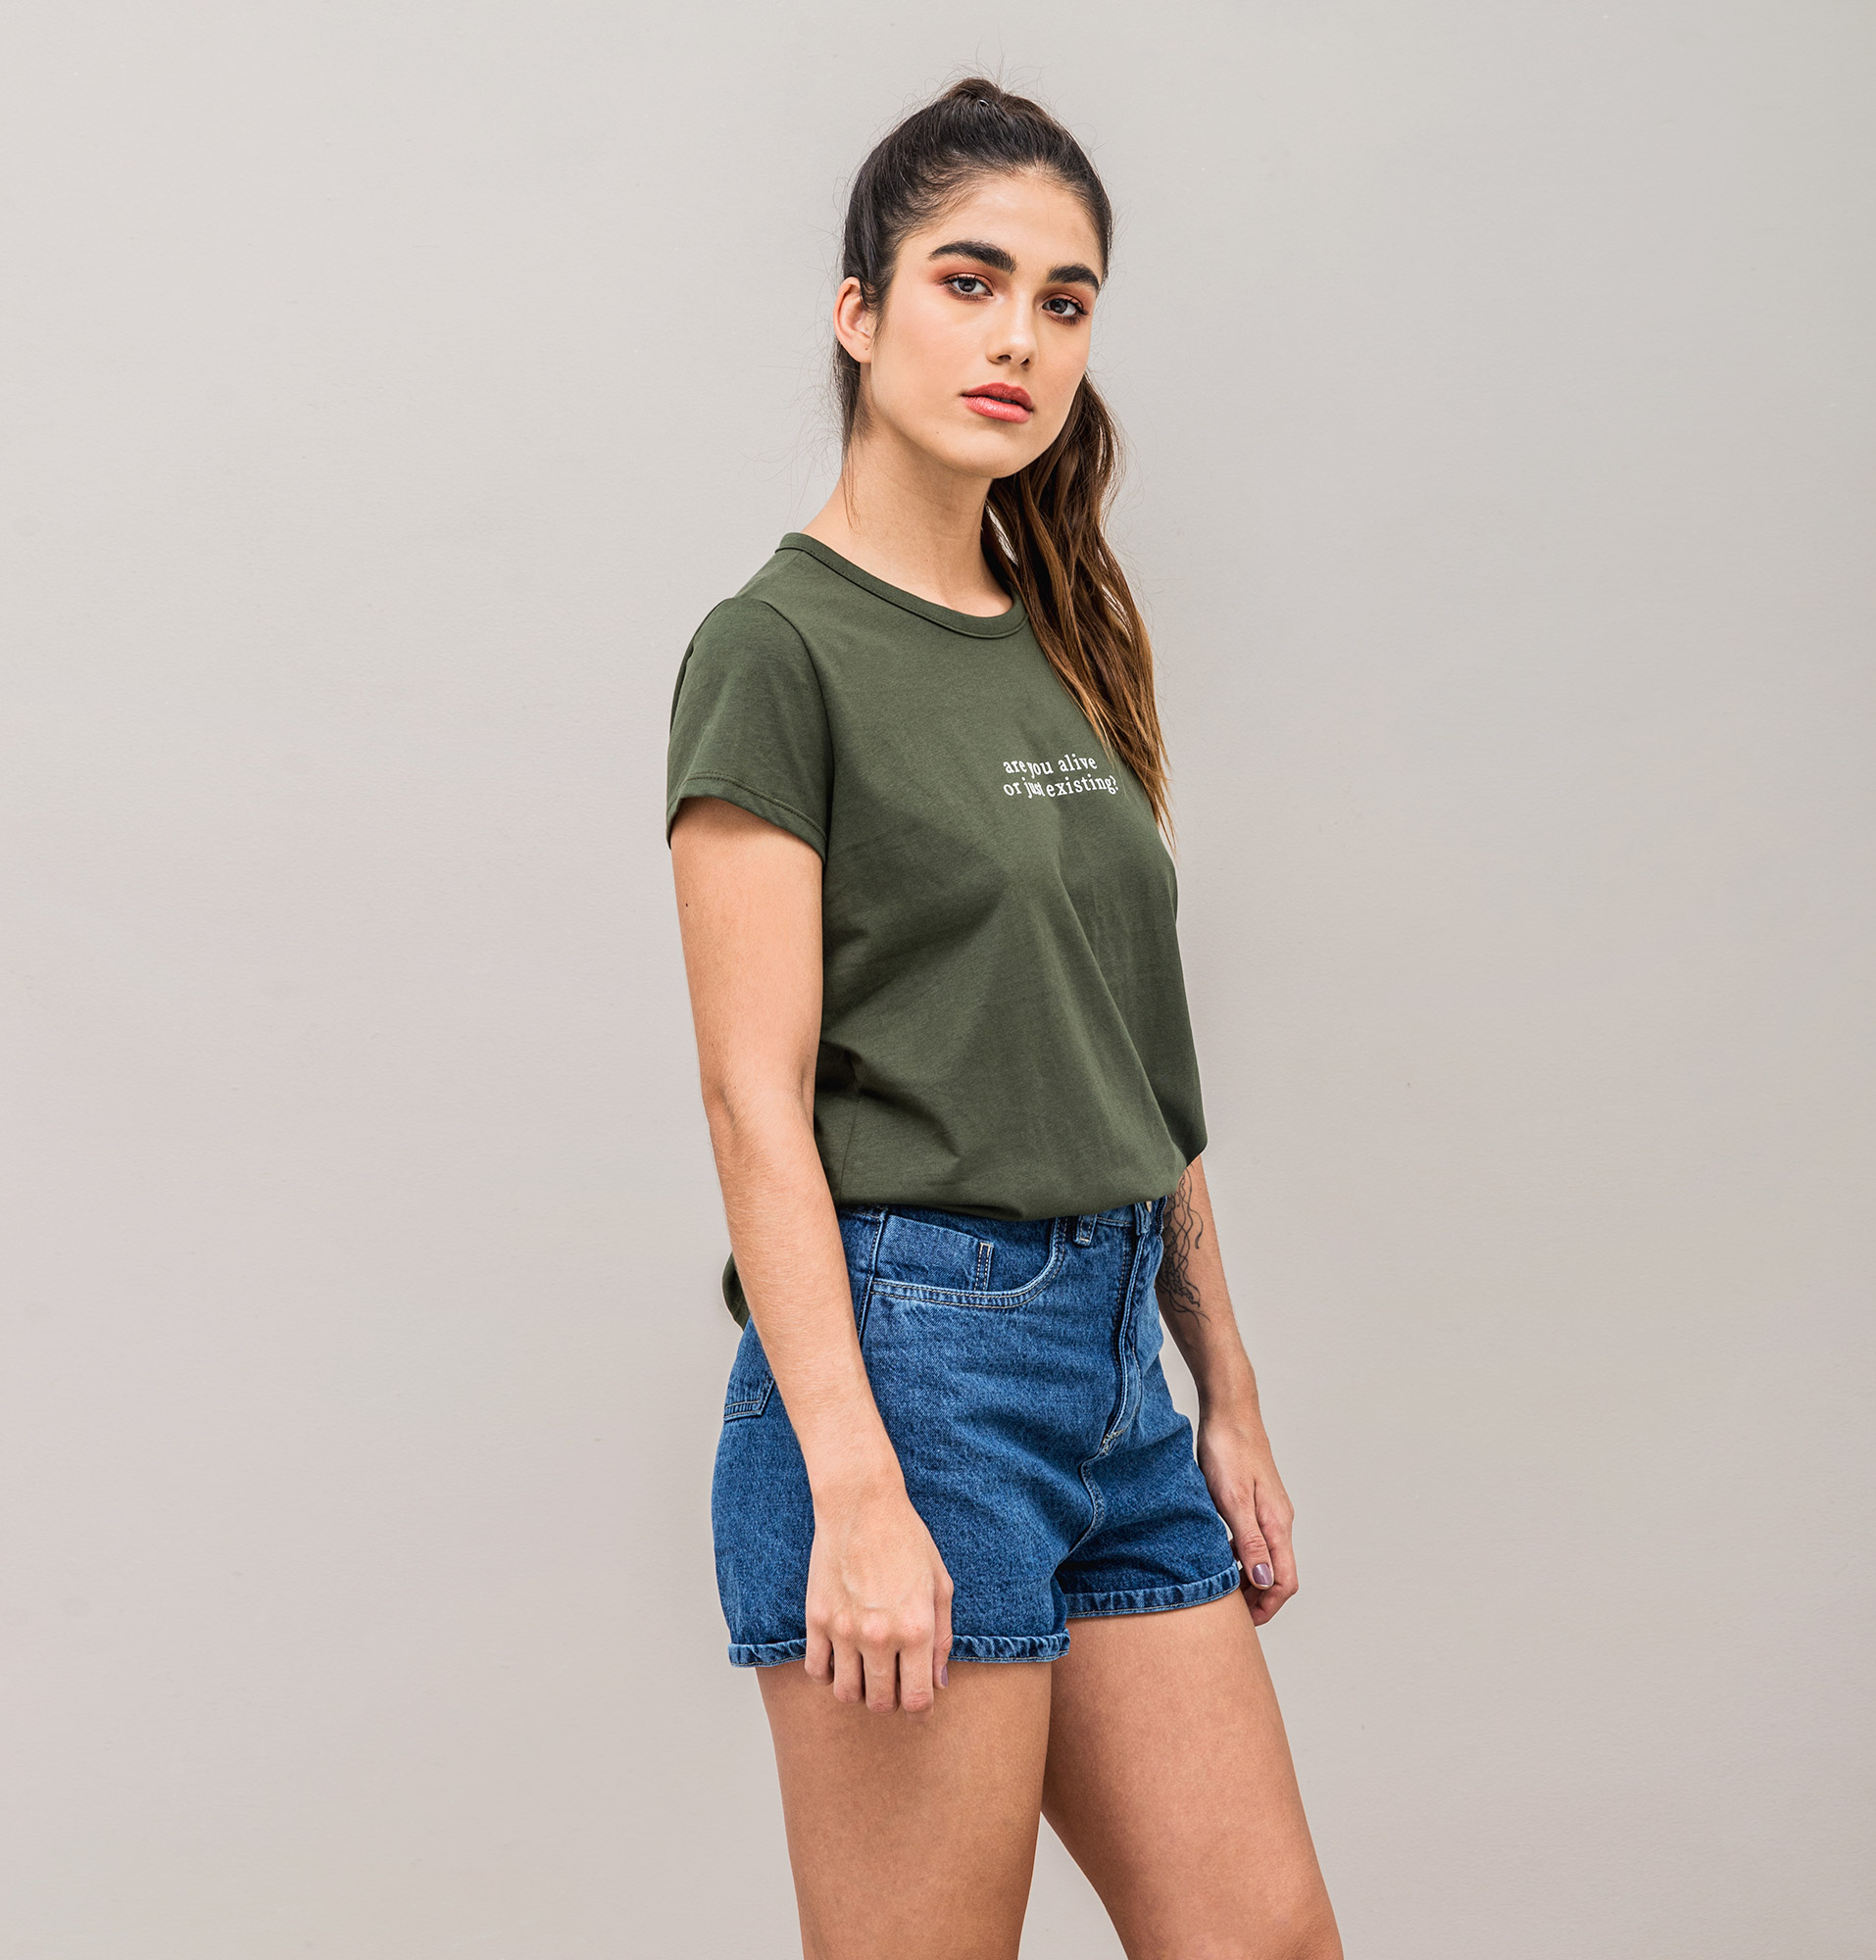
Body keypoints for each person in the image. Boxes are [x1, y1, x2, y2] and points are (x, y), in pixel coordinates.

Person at [666, 75, 1343, 1960]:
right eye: (970, 283)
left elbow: (1129, 1057)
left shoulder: (1063, 638)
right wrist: (855, 1486)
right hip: (915, 1372)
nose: (1020, 339)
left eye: (1065, 301)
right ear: (858, 311)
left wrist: (1225, 1391)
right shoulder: (777, 650)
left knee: (1266, 1940)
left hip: (1116, 1370)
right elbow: (750, 1103)